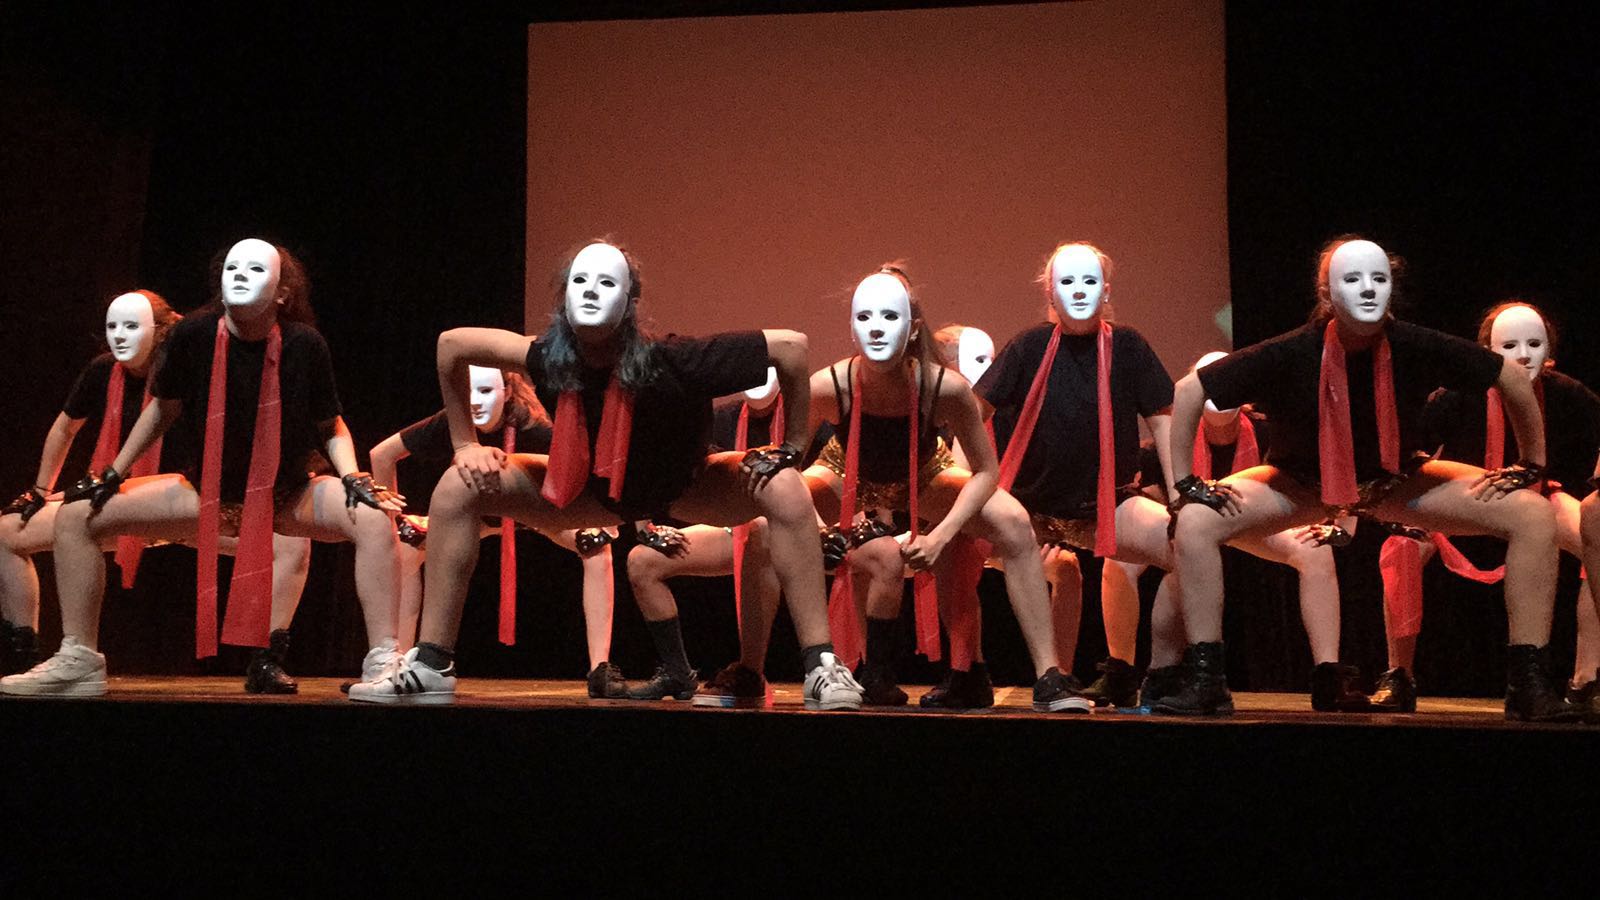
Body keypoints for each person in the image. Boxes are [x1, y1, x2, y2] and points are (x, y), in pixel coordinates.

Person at [351, 239, 864, 709]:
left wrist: (792, 447)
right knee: (457, 484)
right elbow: (452, 345)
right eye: (580, 280)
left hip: (687, 487)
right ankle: (432, 663)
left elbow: (791, 348)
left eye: (606, 282)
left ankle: (821, 665)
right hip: (591, 494)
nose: (591, 291)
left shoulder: (674, 359)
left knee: (783, 484)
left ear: (630, 301)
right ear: (563, 295)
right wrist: (465, 443)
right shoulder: (548, 357)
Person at [1167, 237, 1575, 721]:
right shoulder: (1291, 351)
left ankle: (1528, 683)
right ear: (1327, 293)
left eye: (1379, 279)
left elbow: (1507, 375)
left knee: (1532, 513)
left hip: (1395, 480)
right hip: (1301, 482)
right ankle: (1207, 681)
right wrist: (1186, 483)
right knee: (1195, 520)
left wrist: (1531, 462)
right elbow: (1190, 390)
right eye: (1353, 279)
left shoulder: (1413, 344)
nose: (1367, 289)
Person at [1, 239, 405, 697]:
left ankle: (383, 661)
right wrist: (114, 471)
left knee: (374, 517)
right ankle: (79, 658)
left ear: (282, 292)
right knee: (76, 515)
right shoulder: (194, 334)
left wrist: (352, 476)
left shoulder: (303, 344)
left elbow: (330, 424)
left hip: (284, 494)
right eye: (232, 267)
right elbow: (162, 410)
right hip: (203, 493)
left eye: (255, 269)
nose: (240, 275)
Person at [736, 266, 1080, 712]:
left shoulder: (945, 388)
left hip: (925, 474)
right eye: (864, 317)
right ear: (851, 328)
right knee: (764, 527)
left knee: (1014, 521)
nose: (877, 328)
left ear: (913, 327)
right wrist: (818, 527)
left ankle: (1050, 674)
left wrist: (941, 535)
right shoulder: (827, 385)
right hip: (845, 471)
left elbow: (986, 472)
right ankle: (749, 669)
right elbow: (787, 464)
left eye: (889, 316)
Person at [0, 290, 313, 691]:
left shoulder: (192, 363)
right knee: (8, 532)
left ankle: (266, 659)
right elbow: (65, 427)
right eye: (112, 326)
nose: (120, 336)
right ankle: (31, 659)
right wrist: (41, 490)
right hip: (129, 508)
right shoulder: (103, 371)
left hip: (193, 504)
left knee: (291, 543)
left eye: (131, 326)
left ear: (161, 330)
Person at [974, 242, 1182, 709]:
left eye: (1090, 281)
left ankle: (1164, 672)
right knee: (960, 550)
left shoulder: (1128, 346)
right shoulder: (1028, 346)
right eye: (1067, 282)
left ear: (1106, 290)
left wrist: (1180, 497)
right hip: (1030, 512)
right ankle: (1000, 673)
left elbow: (1164, 422)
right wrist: (966, 490)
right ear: (1049, 291)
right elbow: (973, 414)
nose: (1080, 291)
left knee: (1188, 545)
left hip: (1106, 507)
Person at [1375, 302, 1600, 717]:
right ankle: (1398, 674)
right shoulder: (1456, 396)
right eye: (1510, 345)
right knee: (1401, 547)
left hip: (1539, 500)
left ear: (1549, 348)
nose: (1523, 355)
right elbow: (1407, 453)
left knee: (1595, 539)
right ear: (1487, 352)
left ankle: (1586, 679)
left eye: (1534, 344)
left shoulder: (1569, 396)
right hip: (1468, 502)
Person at [369, 364, 645, 698]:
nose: (474, 401)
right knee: (407, 545)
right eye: (467, 392)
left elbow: (589, 468)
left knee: (596, 543)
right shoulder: (453, 421)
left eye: (485, 391)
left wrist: (593, 516)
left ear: (507, 392)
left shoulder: (536, 427)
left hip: (536, 514)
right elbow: (381, 455)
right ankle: (399, 663)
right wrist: (395, 521)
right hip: (478, 517)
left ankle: (600, 667)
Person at [1132, 352, 1368, 711]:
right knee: (1164, 554)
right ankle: (1157, 671)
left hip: (1251, 523)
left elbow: (1324, 467)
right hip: (1190, 525)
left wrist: (1344, 525)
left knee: (1315, 550)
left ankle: (1328, 676)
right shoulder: (1174, 438)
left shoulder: (1268, 433)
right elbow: (1152, 490)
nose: (1218, 394)